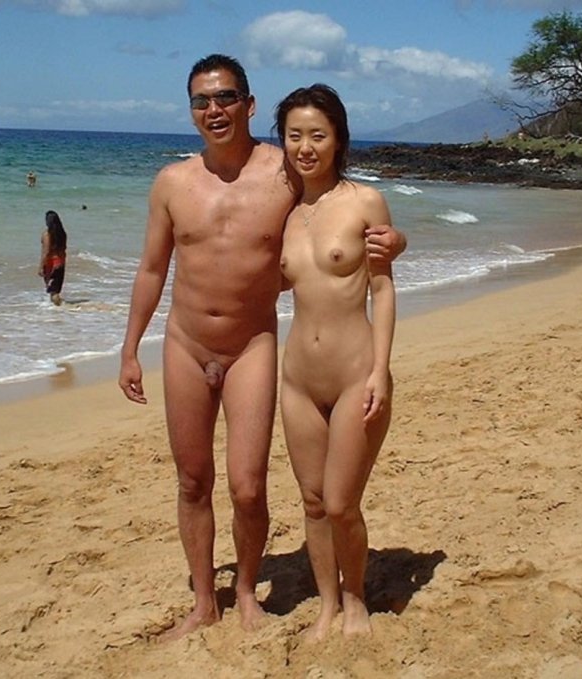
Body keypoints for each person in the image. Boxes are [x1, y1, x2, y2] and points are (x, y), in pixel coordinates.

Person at [117, 54, 405, 640]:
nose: (214, 109)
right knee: (192, 481)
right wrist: (129, 349)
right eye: (201, 101)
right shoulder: (171, 183)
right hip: (185, 342)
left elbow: (341, 211)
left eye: (226, 98)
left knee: (248, 486)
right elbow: (151, 269)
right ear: (190, 111)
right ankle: (205, 602)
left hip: (252, 344)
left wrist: (397, 240)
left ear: (248, 105)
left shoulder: (284, 174)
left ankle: (247, 593)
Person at [274, 84, 395, 639]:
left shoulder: (365, 202)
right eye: (294, 135)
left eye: (317, 135)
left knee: (343, 503)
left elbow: (383, 290)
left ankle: (355, 598)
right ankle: (326, 605)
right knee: (314, 502)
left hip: (355, 375)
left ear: (339, 139)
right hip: (297, 379)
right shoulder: (283, 212)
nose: (305, 147)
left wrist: (379, 371)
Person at [39, 210, 67, 305]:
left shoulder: (47, 234)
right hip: (61, 262)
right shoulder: (62, 234)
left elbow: (46, 252)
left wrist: (41, 267)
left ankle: (62, 308)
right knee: (55, 289)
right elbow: (64, 249)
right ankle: (59, 307)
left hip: (51, 264)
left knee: (52, 291)